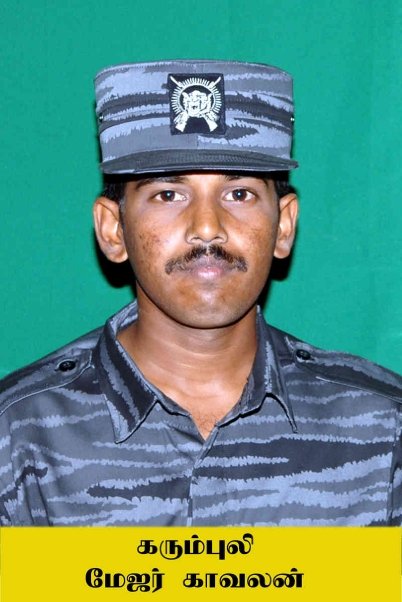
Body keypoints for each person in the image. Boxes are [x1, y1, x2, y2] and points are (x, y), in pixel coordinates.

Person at [1, 60, 401, 527]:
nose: (207, 228)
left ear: (284, 225)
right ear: (113, 230)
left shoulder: (384, 429)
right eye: (168, 195)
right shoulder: (18, 435)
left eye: (239, 194)